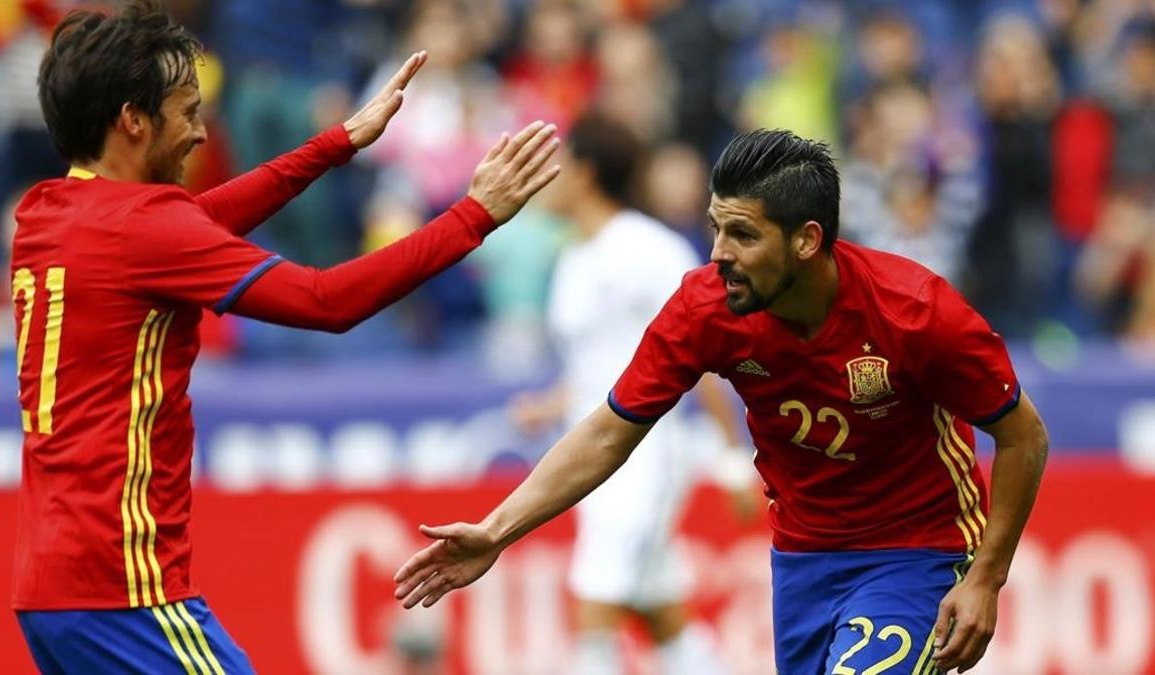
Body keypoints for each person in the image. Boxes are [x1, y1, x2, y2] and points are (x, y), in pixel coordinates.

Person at [10, 2, 560, 673]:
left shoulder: (48, 213)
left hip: (49, 588)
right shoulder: (146, 230)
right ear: (132, 120)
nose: (199, 133)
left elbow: (200, 219)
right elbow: (326, 300)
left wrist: (337, 142)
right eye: (187, 110)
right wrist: (473, 217)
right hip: (124, 586)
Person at [394, 129, 1049, 674]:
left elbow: (1024, 435)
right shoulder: (704, 307)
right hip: (802, 557)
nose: (719, 253)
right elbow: (608, 430)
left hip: (918, 548)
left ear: (807, 239)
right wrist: (497, 530)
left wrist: (986, 577)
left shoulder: (917, 312)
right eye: (715, 228)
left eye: (742, 235)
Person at [507, 113, 751, 674]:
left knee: (595, 606)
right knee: (663, 617)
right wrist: (551, 404)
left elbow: (705, 353)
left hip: (641, 459)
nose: (549, 175)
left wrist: (734, 459)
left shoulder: (648, 249)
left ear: (586, 172)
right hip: (589, 455)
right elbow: (606, 362)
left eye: (559, 162)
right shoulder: (572, 257)